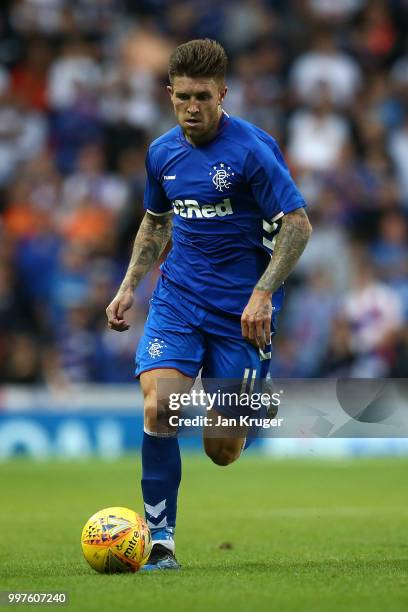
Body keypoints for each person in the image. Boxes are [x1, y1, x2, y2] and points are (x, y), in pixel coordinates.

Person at [106, 39, 312, 570]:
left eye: (203, 97)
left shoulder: (252, 150)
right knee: (159, 406)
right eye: (182, 98)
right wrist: (130, 285)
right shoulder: (161, 153)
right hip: (177, 300)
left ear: (223, 93)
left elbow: (297, 223)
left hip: (240, 312)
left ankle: (251, 399)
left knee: (222, 449)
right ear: (168, 94)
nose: (192, 108)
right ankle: (160, 543)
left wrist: (263, 293)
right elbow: (155, 222)